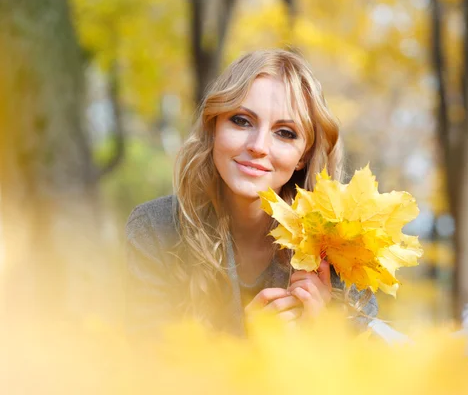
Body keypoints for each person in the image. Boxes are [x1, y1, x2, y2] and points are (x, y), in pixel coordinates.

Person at [125, 49, 377, 338]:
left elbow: (369, 373)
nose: (258, 146)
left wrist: (323, 330)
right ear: (214, 127)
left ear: (303, 157)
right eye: (242, 121)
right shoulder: (156, 229)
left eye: (285, 133)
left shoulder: (342, 245)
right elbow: (144, 370)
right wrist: (246, 340)